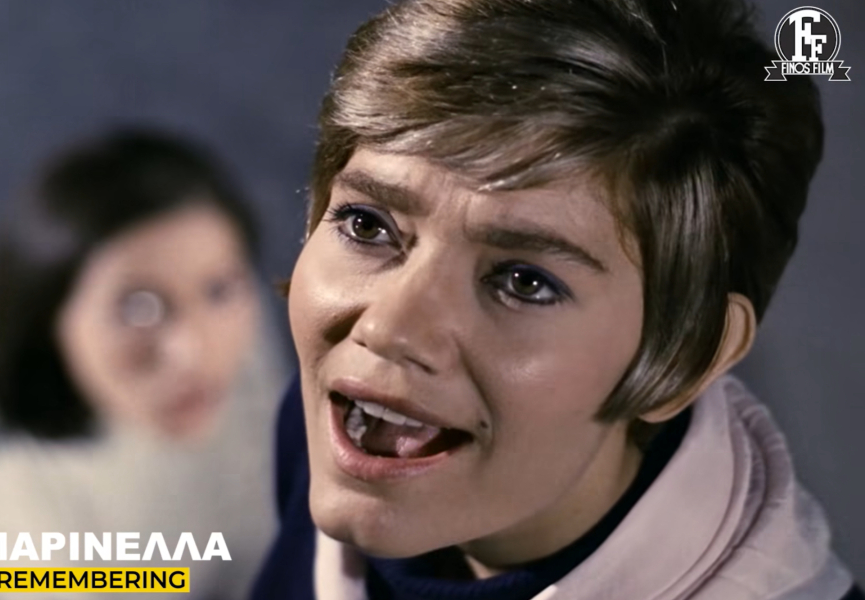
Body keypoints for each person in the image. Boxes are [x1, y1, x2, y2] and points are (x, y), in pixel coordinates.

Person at [251, 0, 863, 598]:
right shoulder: (352, 429)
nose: (387, 329)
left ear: (686, 354)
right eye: (366, 225)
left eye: (524, 281)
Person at [0, 129, 290, 599]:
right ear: (49, 317)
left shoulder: (242, 349)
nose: (194, 352)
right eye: (138, 308)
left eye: (219, 289)